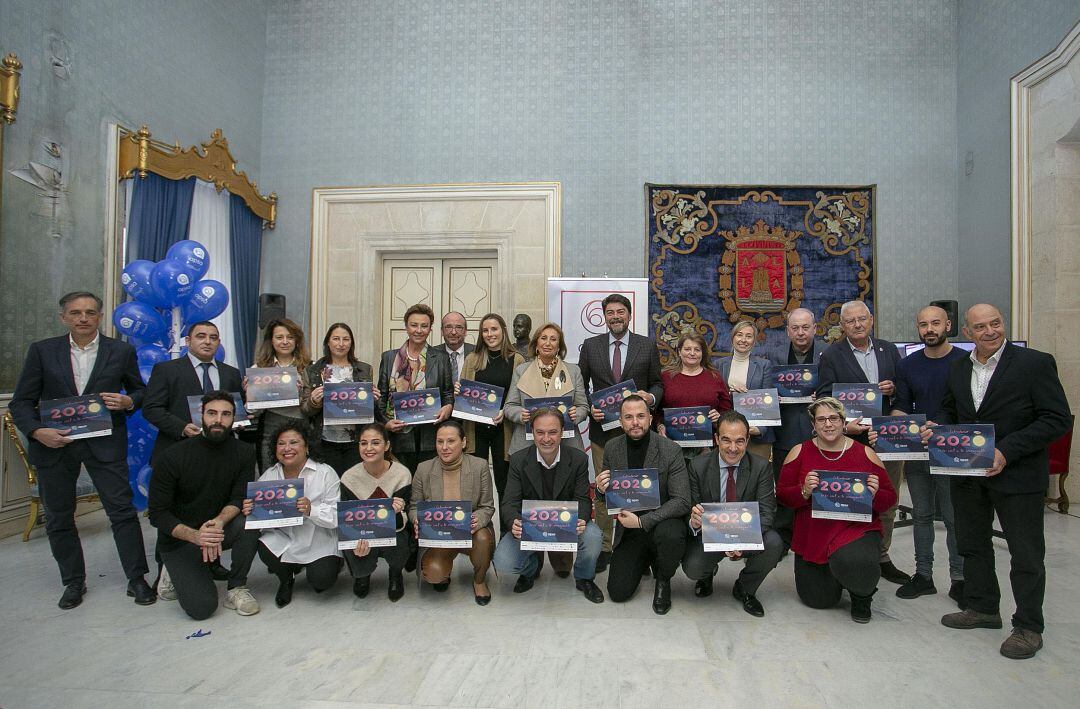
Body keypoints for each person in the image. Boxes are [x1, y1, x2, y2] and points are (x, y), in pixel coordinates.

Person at [935, 304, 1071, 660]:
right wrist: (939, 428)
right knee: (973, 543)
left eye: (994, 323)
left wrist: (1006, 451)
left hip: (1018, 475)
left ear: (1003, 324)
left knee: (1026, 553)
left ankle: (1028, 626)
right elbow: (953, 409)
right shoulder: (958, 367)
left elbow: (1056, 419)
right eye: (980, 327)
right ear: (967, 332)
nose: (989, 331)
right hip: (967, 475)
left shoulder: (1034, 363)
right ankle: (982, 607)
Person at [10, 291, 154, 609]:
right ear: (64, 317)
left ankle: (137, 579)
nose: (83, 318)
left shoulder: (120, 351)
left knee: (122, 512)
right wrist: (36, 431)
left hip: (104, 444)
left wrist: (129, 401)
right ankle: (73, 582)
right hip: (55, 447)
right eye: (76, 313)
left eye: (90, 312)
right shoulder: (42, 351)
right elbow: (20, 403)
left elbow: (140, 390)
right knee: (60, 517)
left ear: (100, 317)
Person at [776, 397, 897, 623]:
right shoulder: (799, 452)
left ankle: (862, 594)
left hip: (854, 531)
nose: (828, 424)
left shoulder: (865, 453)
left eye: (833, 418)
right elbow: (782, 496)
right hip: (814, 535)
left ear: (843, 422)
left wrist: (874, 494)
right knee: (818, 601)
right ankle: (836, 577)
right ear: (813, 425)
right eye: (821, 419)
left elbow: (890, 498)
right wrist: (803, 492)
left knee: (855, 563)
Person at [876, 305, 967, 603]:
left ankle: (959, 579)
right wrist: (891, 428)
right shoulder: (908, 364)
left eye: (935, 323)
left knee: (954, 517)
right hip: (916, 449)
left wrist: (940, 425)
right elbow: (901, 404)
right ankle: (924, 575)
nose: (930, 329)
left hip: (952, 449)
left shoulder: (964, 361)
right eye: (924, 324)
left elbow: (967, 407)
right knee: (923, 514)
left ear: (948, 325)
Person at [815, 300, 909, 585]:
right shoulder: (832, 355)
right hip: (852, 439)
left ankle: (882, 556)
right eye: (850, 321)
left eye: (862, 319)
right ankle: (847, 550)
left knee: (887, 499)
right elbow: (824, 396)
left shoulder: (889, 350)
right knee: (850, 497)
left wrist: (893, 390)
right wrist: (845, 426)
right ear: (842, 326)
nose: (857, 325)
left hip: (888, 437)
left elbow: (905, 391)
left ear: (871, 320)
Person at [147, 391, 261, 619]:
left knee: (251, 516)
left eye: (226, 414)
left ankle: (236, 587)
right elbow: (157, 514)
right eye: (212, 413)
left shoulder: (244, 452)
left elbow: (239, 496)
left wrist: (218, 523)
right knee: (202, 610)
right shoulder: (173, 456)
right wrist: (196, 536)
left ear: (234, 418)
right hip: (181, 539)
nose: (218, 420)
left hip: (217, 529)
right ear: (201, 415)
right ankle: (171, 572)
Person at [578, 294, 664, 573]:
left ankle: (643, 545)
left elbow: (657, 383)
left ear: (629, 315)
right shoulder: (591, 347)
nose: (615, 316)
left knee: (641, 490)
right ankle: (604, 547)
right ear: (604, 316)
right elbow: (582, 386)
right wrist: (591, 407)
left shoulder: (646, 345)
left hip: (638, 431)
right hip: (603, 433)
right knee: (605, 490)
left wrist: (649, 399)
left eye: (620, 312)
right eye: (610, 312)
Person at [492, 407, 605, 603]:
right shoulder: (518, 460)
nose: (546, 439)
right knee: (503, 561)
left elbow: (583, 499)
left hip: (565, 527)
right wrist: (514, 522)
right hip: (530, 528)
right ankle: (530, 569)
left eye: (552, 432)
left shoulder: (578, 459)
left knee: (593, 535)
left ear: (562, 432)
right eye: (540, 432)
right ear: (532, 432)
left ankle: (584, 578)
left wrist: (581, 518)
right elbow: (509, 503)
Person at [594, 395, 690, 614]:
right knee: (618, 593)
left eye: (640, 416)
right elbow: (607, 498)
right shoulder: (612, 447)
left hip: (663, 524)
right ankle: (645, 559)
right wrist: (601, 489)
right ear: (620, 421)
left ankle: (663, 580)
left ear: (650, 418)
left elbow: (682, 500)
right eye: (628, 417)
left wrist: (643, 521)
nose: (635, 422)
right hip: (630, 531)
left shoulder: (670, 449)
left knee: (671, 535)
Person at [683, 411, 784, 617]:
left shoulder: (761, 467)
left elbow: (767, 513)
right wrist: (694, 521)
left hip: (747, 534)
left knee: (774, 542)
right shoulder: (697, 466)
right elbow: (690, 509)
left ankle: (745, 588)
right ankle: (707, 574)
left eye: (739, 441)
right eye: (726, 440)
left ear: (747, 440)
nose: (732, 448)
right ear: (716, 439)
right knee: (692, 568)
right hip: (710, 535)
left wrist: (741, 540)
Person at [244, 424, 342, 608]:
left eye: (294, 442)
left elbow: (337, 516)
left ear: (306, 447)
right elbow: (259, 517)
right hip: (284, 538)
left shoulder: (325, 473)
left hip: (318, 540)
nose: (287, 448)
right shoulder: (270, 475)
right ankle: (286, 578)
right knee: (264, 546)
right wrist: (251, 508)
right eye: (281, 444)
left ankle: (330, 565)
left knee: (321, 582)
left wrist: (310, 510)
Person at [409, 419, 495, 605]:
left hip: (470, 533)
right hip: (439, 535)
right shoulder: (424, 469)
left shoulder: (479, 466)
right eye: (440, 442)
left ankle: (479, 580)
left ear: (463, 442)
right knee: (433, 575)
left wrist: (476, 520)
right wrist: (418, 520)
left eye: (451, 441)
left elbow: (487, 507)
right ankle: (444, 572)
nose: (444, 447)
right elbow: (414, 506)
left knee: (483, 538)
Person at [765, 308, 827, 551]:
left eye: (805, 327)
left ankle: (814, 535)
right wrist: (773, 397)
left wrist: (820, 395)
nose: (800, 333)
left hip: (820, 432)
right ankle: (782, 539)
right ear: (787, 330)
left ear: (815, 328)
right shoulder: (775, 354)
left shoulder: (828, 353)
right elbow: (767, 388)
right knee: (785, 486)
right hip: (786, 430)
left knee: (818, 484)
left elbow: (834, 387)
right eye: (795, 328)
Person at [142, 320, 243, 467]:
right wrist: (182, 428)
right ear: (188, 340)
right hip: (178, 451)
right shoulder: (166, 370)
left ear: (218, 342)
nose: (208, 342)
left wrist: (241, 418)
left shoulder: (231, 373)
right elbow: (151, 408)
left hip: (221, 452)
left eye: (213, 338)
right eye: (201, 336)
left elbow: (236, 410)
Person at [377, 303, 455, 472]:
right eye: (414, 325)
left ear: (430, 329)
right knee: (402, 487)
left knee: (428, 487)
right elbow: (381, 397)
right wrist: (386, 423)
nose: (418, 330)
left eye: (424, 326)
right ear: (406, 327)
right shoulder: (390, 357)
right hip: (398, 436)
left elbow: (448, 393)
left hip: (430, 434)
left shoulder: (441, 358)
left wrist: (448, 407)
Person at [339, 423, 412, 601]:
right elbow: (348, 522)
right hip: (362, 533)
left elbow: (405, 519)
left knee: (402, 542)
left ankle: (395, 574)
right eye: (363, 443)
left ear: (386, 446)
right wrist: (357, 539)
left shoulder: (401, 474)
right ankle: (362, 576)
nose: (369, 448)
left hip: (394, 530)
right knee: (353, 546)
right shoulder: (349, 478)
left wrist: (395, 512)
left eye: (375, 443)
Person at [457, 313, 524, 501]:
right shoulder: (472, 359)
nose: (489, 334)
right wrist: (459, 391)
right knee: (475, 486)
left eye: (494, 329)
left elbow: (521, 395)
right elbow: (464, 394)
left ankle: (506, 530)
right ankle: (478, 528)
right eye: (485, 330)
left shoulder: (517, 359)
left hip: (505, 429)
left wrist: (506, 411)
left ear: (503, 331)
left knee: (505, 486)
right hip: (475, 429)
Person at [300, 322, 376, 476]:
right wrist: (314, 401)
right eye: (336, 339)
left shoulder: (364, 369)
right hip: (325, 440)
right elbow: (304, 410)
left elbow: (368, 408)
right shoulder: (313, 371)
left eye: (346, 339)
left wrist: (373, 398)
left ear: (352, 343)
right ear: (328, 342)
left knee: (352, 484)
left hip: (356, 440)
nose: (341, 344)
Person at [504, 322, 589, 456]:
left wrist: (576, 413)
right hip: (527, 444)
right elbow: (509, 407)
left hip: (566, 443)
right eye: (543, 338)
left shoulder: (573, 371)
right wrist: (520, 414)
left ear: (559, 346)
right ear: (536, 344)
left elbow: (583, 406)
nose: (548, 343)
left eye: (553, 339)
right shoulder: (521, 370)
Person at [657, 331, 733, 462]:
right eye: (687, 349)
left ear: (702, 353)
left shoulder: (715, 377)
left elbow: (727, 410)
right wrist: (659, 425)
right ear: (679, 351)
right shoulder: (665, 377)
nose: (692, 353)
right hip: (672, 445)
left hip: (706, 449)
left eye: (697, 349)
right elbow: (656, 410)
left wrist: (718, 418)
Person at [251, 318, 313, 473]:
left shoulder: (308, 368)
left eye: (290, 337)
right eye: (279, 337)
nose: (285, 342)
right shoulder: (259, 369)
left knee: (303, 476)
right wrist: (251, 396)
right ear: (271, 341)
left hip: (302, 428)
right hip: (270, 429)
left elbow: (311, 409)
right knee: (270, 474)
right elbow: (254, 412)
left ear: (297, 341)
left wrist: (303, 396)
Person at [717, 320, 775, 462]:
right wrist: (731, 393)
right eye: (739, 335)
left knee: (756, 478)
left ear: (754, 341)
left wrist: (760, 429)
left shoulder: (764, 365)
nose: (743, 340)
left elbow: (768, 400)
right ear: (733, 338)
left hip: (755, 434)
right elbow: (715, 397)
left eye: (748, 336)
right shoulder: (718, 364)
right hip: (728, 434)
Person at [432, 311, 475, 384]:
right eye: (448, 327)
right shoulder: (431, 354)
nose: (453, 332)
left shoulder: (477, 353)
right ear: (442, 331)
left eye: (459, 327)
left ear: (465, 331)